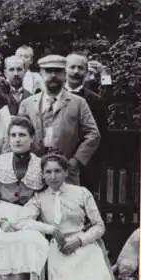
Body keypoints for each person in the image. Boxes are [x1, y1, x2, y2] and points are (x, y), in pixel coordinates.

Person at [22, 152, 118, 280]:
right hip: (58, 247)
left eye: (57, 171)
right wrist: (51, 229)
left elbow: (99, 226)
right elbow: (22, 221)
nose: (53, 176)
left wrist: (80, 240)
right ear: (43, 175)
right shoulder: (39, 198)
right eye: (48, 172)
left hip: (84, 246)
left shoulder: (81, 193)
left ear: (66, 172)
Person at [0, 116, 49, 280]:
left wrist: (29, 218)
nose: (17, 139)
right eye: (13, 135)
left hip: (28, 216)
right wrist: (0, 221)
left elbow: (44, 200)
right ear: (8, 138)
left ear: (32, 138)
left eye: (22, 135)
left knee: (32, 241)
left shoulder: (41, 165)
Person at [18, 55, 101, 185]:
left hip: (67, 173)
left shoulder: (79, 103)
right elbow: (19, 133)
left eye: (57, 71)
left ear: (64, 74)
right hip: (34, 172)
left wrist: (76, 160)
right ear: (41, 73)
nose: (53, 75)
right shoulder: (27, 104)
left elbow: (93, 134)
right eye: (48, 71)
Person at [65, 53, 109, 193]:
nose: (76, 71)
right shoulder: (51, 95)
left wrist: (81, 160)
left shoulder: (95, 100)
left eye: (80, 68)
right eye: (72, 67)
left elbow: (101, 134)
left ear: (86, 72)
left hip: (86, 165)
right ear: (64, 69)